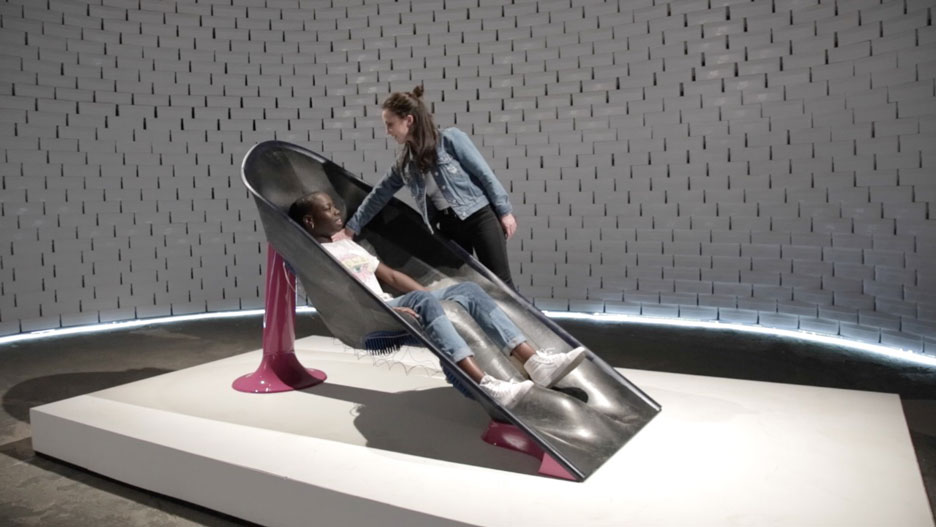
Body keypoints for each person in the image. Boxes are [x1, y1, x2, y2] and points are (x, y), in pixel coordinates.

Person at [290, 191, 585, 408]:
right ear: (310, 221)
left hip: (388, 301)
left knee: (467, 290)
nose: (337, 211)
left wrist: (427, 294)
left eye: (334, 205)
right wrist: (393, 309)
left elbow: (390, 276)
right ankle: (485, 384)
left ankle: (533, 360)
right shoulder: (318, 258)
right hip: (374, 312)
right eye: (328, 208)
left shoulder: (349, 247)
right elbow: (344, 299)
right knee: (423, 301)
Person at [333, 86, 517, 288]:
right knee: (465, 285)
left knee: (501, 283)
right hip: (449, 227)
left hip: (479, 217)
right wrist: (351, 229)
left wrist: (505, 212)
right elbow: (378, 195)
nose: (388, 131)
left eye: (390, 124)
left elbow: (484, 174)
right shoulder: (404, 164)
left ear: (409, 120)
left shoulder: (450, 139)